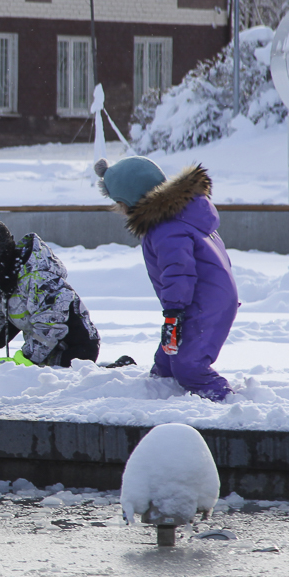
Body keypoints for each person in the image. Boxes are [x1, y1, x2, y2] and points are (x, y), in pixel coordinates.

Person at [93, 156, 238, 402]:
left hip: (203, 302)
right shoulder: (179, 217)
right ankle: (158, 397)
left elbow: (178, 271)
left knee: (188, 366)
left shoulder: (166, 228)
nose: (119, 211)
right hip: (204, 298)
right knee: (167, 361)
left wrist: (173, 312)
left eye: (119, 204)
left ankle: (226, 402)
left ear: (130, 200)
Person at [0, 218, 101, 367]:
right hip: (46, 356)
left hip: (75, 355)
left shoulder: (39, 280)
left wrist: (23, 360)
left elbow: (49, 327)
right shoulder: (8, 284)